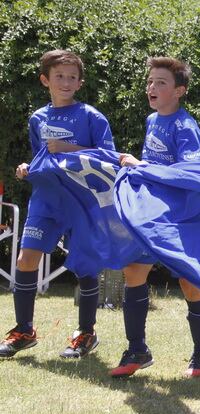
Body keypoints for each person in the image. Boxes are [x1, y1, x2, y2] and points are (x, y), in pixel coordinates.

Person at [0, 49, 115, 359]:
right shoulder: (37, 118)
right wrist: (28, 166)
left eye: (72, 77)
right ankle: (24, 331)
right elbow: (44, 158)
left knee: (84, 266)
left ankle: (85, 334)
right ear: (44, 80)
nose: (65, 82)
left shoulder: (92, 116)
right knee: (25, 260)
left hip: (82, 203)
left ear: (80, 83)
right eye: (59, 76)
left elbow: (110, 160)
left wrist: (70, 148)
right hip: (46, 200)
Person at [109, 57, 200, 378]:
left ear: (179, 91)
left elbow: (189, 174)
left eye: (161, 83)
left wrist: (139, 166)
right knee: (133, 270)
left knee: (188, 281)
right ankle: (137, 350)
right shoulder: (152, 120)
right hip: (152, 214)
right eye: (150, 81)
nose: (152, 87)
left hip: (183, 216)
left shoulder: (186, 128)